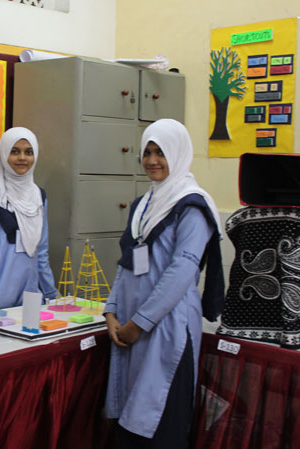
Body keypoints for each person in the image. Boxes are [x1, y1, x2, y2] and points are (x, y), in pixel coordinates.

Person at [103, 119, 224, 448]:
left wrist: (140, 323)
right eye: (147, 152)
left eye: (161, 153)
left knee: (159, 420)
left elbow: (182, 269)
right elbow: (127, 261)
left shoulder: (191, 205)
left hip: (168, 326)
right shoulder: (144, 204)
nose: (152, 160)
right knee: (130, 420)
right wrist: (111, 311)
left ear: (178, 153)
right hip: (130, 324)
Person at [0, 127, 57, 309]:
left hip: (30, 297)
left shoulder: (38, 198)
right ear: (3, 153)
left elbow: (41, 251)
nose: (22, 158)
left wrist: (51, 295)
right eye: (14, 151)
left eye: (29, 152)